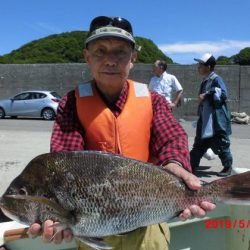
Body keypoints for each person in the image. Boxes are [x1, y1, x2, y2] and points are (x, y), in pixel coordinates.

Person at [28, 16, 215, 250]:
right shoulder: (72, 102)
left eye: (120, 52)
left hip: (147, 224)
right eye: (100, 51)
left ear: (133, 58)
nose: (110, 60)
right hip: (93, 229)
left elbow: (171, 136)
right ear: (87, 57)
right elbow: (65, 160)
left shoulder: (153, 100)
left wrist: (175, 164)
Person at [190, 53, 233, 177]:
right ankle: (191, 165)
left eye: (201, 65)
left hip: (216, 119)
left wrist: (208, 94)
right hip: (205, 118)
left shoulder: (216, 79)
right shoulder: (205, 80)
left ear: (209, 67)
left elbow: (224, 94)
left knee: (221, 143)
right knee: (199, 143)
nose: (198, 67)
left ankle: (227, 167)